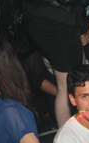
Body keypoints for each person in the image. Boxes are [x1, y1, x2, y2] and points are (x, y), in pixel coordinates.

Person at [22, 0, 83, 128]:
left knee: (66, 85)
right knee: (66, 87)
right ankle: (66, 136)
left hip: (39, 17)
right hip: (56, 21)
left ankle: (70, 133)